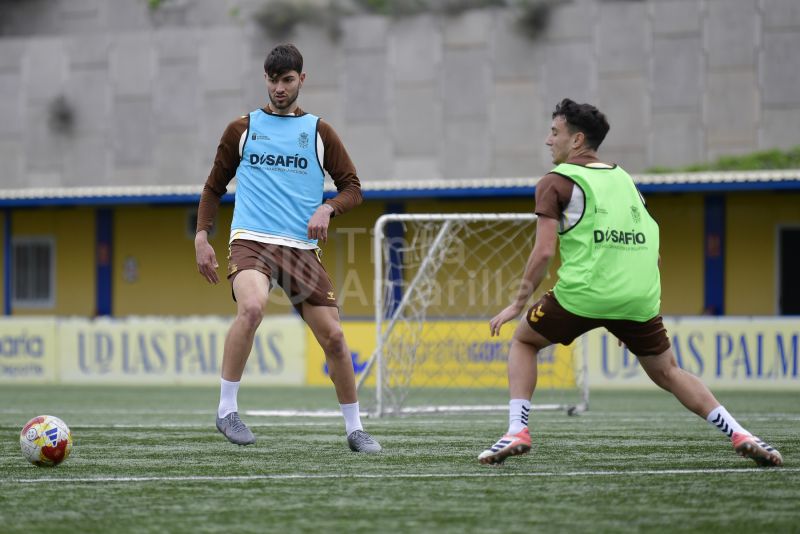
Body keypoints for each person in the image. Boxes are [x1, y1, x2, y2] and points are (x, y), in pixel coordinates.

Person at [477, 98, 782, 467]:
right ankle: (740, 433)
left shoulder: (555, 182)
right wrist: (632, 308)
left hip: (583, 295)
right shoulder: (626, 181)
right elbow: (652, 246)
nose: (548, 140)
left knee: (524, 341)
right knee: (669, 372)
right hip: (638, 298)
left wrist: (517, 304)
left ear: (577, 140)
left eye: (554, 132)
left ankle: (516, 431)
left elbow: (543, 253)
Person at [194, 43, 381, 453]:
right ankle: (227, 410)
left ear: (301, 79)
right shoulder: (242, 129)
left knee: (334, 338)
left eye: (287, 80)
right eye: (273, 80)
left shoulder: (318, 131)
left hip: (300, 249)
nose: (279, 88)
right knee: (253, 307)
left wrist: (328, 209)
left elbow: (353, 188)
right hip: (252, 242)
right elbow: (213, 187)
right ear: (265, 79)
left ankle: (355, 429)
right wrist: (202, 235)